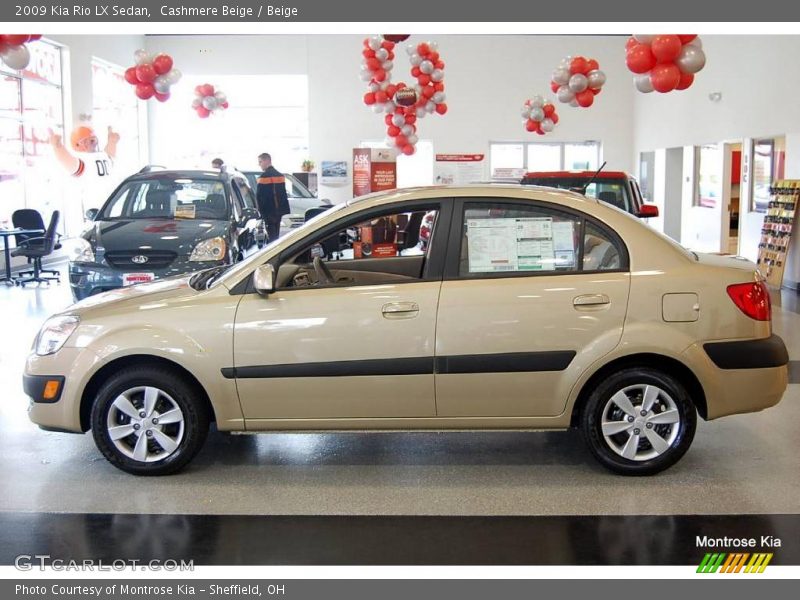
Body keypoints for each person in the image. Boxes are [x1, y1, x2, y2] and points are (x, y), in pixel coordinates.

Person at [255, 152, 290, 243]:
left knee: (271, 237)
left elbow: (259, 197)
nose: (259, 164)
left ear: (267, 161)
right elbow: (283, 195)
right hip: (279, 211)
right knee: (276, 234)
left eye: (260, 162)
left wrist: (260, 212)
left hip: (268, 211)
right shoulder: (280, 176)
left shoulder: (262, 177)